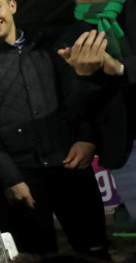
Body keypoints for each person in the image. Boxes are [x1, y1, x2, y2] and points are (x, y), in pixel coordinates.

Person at [0, 0, 110, 258]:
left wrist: (87, 138)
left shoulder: (54, 45)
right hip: (25, 181)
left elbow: (80, 94)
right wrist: (13, 179)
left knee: (95, 250)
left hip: (71, 167)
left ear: (12, 5)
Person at [56, 0, 136, 233]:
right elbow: (79, 108)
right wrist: (84, 77)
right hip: (126, 149)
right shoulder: (72, 37)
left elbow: (118, 69)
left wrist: (120, 68)